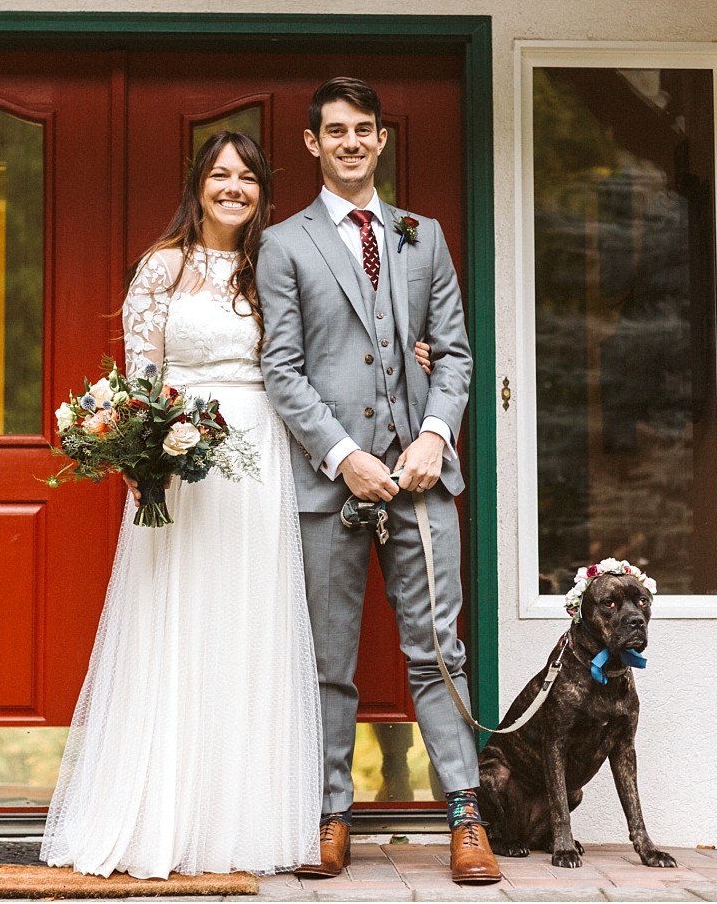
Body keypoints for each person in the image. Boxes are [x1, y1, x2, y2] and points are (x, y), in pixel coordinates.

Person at [40, 132, 323, 879]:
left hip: (259, 458)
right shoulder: (162, 266)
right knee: (177, 622)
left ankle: (238, 820)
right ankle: (161, 812)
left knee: (246, 625)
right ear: (198, 184)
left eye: (248, 177)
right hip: (183, 461)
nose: (234, 187)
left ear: (263, 190)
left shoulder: (274, 268)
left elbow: (313, 356)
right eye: (221, 174)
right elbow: (142, 377)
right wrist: (141, 456)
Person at [256, 78, 502, 885]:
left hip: (420, 480)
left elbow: (454, 353)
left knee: (439, 653)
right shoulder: (285, 244)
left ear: (382, 139)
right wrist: (342, 456)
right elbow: (283, 369)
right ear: (311, 143)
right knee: (329, 658)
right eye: (336, 131)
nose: (352, 142)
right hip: (333, 485)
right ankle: (333, 814)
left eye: (364, 129)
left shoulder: (420, 235)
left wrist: (433, 434)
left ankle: (464, 812)